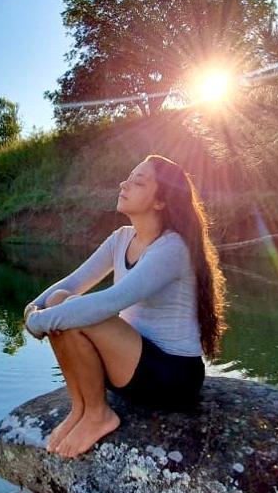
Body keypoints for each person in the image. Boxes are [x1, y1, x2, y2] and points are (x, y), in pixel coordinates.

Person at [23, 154, 226, 459]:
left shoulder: (172, 248)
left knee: (81, 312)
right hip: (132, 362)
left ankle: (98, 415)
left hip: (172, 375)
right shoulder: (121, 238)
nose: (124, 184)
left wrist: (41, 322)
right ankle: (81, 408)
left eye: (138, 181)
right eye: (128, 177)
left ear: (160, 201)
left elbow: (111, 301)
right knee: (59, 299)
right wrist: (35, 307)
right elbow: (75, 281)